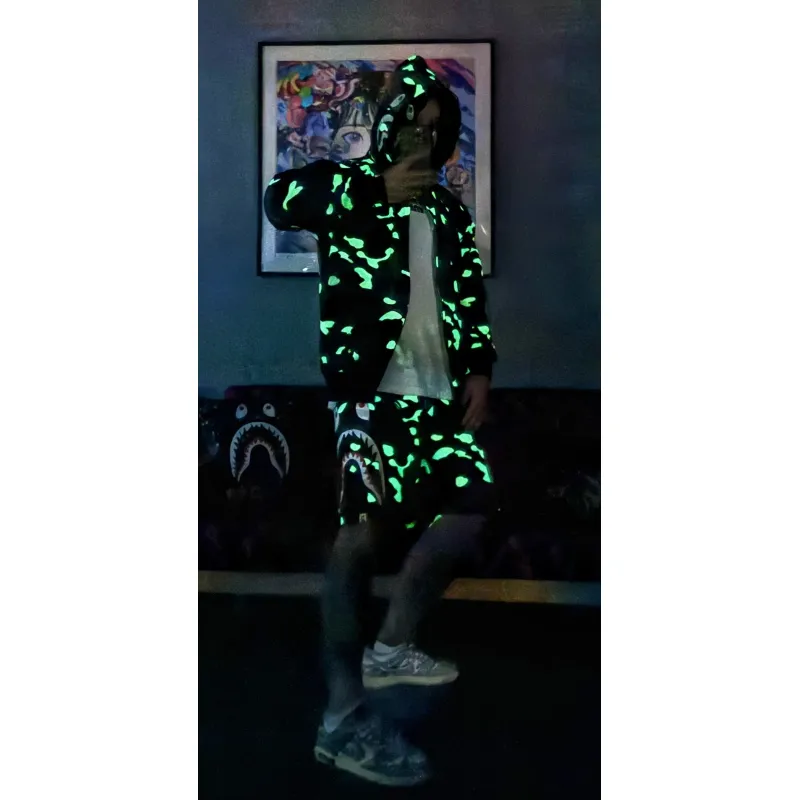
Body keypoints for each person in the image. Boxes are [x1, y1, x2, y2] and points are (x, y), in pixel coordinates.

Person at [264, 54, 497, 788]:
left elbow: (469, 299)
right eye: (411, 126)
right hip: (369, 397)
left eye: (435, 130)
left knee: (473, 509)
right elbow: (279, 202)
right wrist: (371, 186)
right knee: (360, 537)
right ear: (389, 127)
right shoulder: (345, 189)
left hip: (440, 396)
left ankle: (392, 645)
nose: (422, 141)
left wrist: (480, 369)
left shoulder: (450, 213)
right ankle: (341, 717)